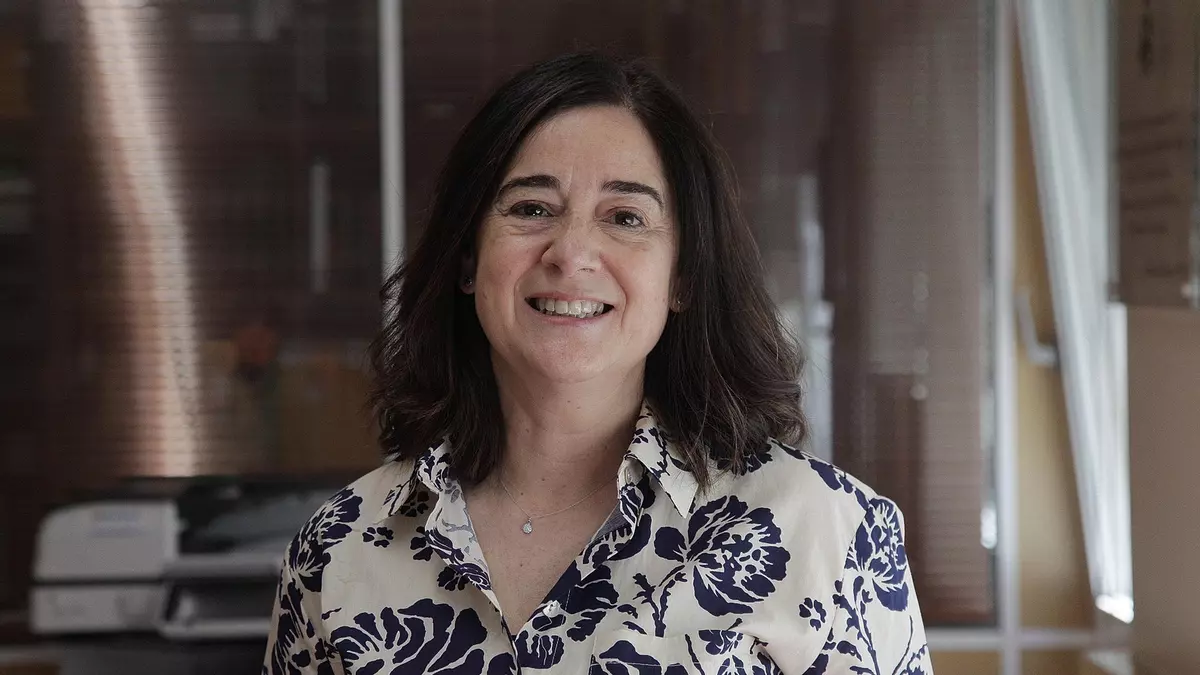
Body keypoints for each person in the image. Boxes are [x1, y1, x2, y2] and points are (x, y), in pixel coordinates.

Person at [263, 52, 932, 674]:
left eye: (625, 217)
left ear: (682, 277)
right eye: (532, 208)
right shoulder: (339, 546)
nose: (572, 253)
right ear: (468, 258)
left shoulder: (827, 531)